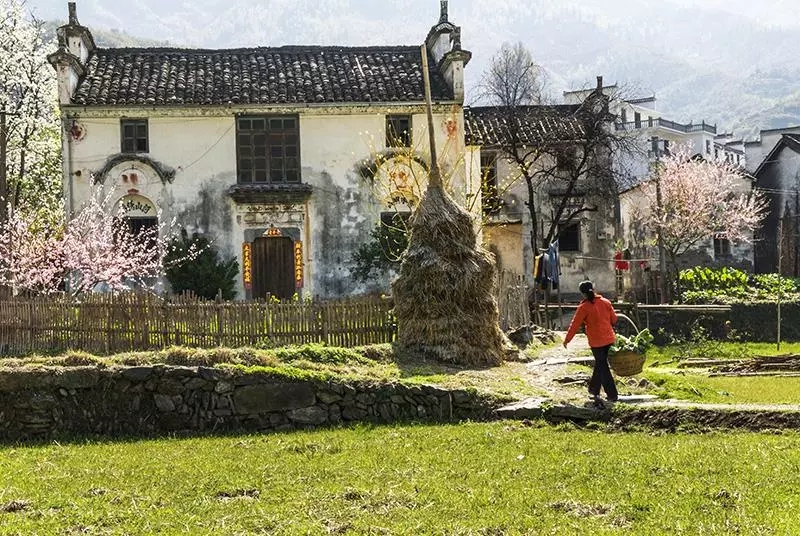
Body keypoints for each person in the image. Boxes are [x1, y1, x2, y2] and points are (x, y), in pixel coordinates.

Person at [562, 280, 619, 403]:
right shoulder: (606, 302)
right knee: (600, 364)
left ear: (582, 294)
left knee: (602, 366)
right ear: (594, 288)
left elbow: (574, 325)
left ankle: (612, 395)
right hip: (609, 339)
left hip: (596, 342)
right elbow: (614, 319)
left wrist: (567, 340)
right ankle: (593, 389)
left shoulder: (583, 307)